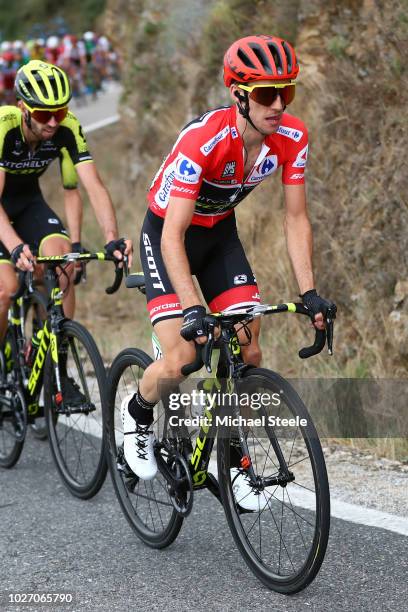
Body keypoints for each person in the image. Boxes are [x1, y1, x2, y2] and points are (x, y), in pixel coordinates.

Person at [122, 35, 333, 506]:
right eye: (265, 94)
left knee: (247, 350)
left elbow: (295, 216)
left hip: (219, 235)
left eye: (287, 92)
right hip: (167, 235)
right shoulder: (204, 141)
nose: (278, 104)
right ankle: (136, 415)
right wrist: (193, 308)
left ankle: (236, 461)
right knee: (183, 359)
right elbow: (172, 236)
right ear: (238, 93)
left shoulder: (293, 137)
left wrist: (310, 292)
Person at [0, 60, 132, 403]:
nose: (54, 121)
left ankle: (53, 369)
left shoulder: (67, 127)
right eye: (44, 115)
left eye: (59, 110)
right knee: (6, 287)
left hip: (28, 202)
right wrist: (15, 247)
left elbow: (88, 187)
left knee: (63, 264)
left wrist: (108, 239)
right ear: (22, 109)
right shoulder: (4, 127)